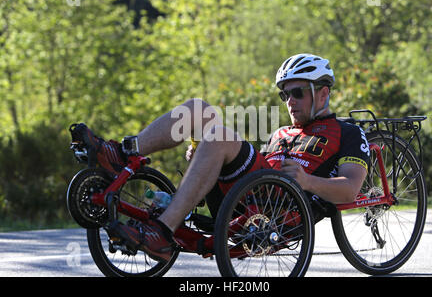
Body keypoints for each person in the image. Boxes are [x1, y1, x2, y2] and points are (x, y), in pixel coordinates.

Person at [75, 53, 370, 262]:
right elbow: (256, 165)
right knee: (198, 109)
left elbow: (350, 188)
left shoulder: (346, 132)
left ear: (322, 94)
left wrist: (307, 180)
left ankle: (162, 232)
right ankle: (123, 152)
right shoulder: (281, 133)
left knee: (220, 136)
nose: (289, 101)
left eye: (297, 93)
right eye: (284, 95)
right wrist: (204, 158)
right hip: (249, 195)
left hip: (282, 202)